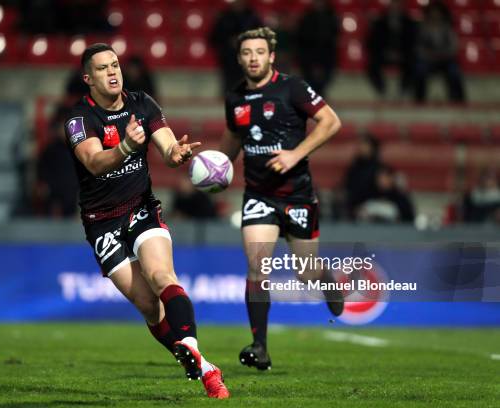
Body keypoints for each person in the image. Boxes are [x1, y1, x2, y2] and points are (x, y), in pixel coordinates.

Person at [64, 43, 229, 399]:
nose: (113, 72)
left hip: (140, 208)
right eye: (104, 68)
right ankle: (203, 364)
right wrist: (124, 147)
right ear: (88, 78)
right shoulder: (79, 120)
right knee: (148, 306)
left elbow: (168, 149)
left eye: (116, 65)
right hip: (101, 222)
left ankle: (195, 355)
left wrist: (177, 153)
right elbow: (93, 162)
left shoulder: (142, 103)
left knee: (161, 276)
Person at [219, 27, 344, 371]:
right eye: (247, 53)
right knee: (257, 267)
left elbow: (331, 122)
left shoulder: (292, 88)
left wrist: (294, 154)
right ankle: (260, 346)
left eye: (260, 52)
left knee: (306, 273)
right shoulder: (235, 99)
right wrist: (212, 169)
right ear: (239, 58)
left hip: (298, 197)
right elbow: (230, 145)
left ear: (271, 56)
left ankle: (325, 279)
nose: (253, 58)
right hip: (259, 195)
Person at [413, 0, 466, 103]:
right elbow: (418, 48)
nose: (435, 16)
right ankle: (419, 101)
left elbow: (454, 47)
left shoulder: (448, 28)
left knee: (454, 71)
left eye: (437, 13)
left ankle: (458, 100)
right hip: (428, 60)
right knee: (420, 69)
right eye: (433, 13)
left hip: (445, 60)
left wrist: (443, 54)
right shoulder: (423, 28)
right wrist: (429, 55)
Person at [366, 0, 417, 100]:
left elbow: (412, 43)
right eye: (394, 5)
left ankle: (403, 90)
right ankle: (382, 90)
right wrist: (385, 53)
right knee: (372, 65)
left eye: (398, 5)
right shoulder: (380, 21)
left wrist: (400, 53)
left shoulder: (409, 22)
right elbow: (373, 42)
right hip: (384, 55)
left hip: (403, 55)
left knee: (413, 64)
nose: (396, 8)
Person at [208, 0, 262, 93]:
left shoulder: (252, 17)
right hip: (228, 56)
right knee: (229, 82)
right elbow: (214, 37)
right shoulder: (224, 17)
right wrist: (228, 42)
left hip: (248, 56)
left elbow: (260, 36)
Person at [294, 0, 339, 97]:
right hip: (309, 54)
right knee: (309, 78)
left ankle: (319, 97)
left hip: (327, 54)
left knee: (325, 78)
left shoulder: (332, 17)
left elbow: (334, 36)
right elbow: (302, 38)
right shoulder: (307, 17)